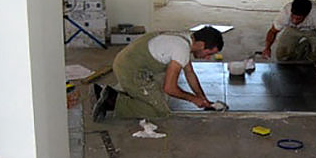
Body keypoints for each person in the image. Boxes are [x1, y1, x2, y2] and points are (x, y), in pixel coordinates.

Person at [92, 26, 224, 121]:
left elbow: (190, 73)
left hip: (129, 62)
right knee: (159, 112)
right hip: (130, 70)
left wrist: (203, 98)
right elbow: (170, 88)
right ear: (201, 45)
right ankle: (112, 100)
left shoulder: (186, 39)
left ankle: (120, 92)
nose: (208, 58)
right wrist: (193, 99)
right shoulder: (181, 49)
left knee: (159, 95)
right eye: (209, 53)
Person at [261, 0, 316, 66]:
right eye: (292, 17)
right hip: (293, 28)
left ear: (306, 15)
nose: (294, 21)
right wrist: (267, 48)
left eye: (298, 19)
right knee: (282, 56)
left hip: (312, 31)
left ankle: (309, 47)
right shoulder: (285, 12)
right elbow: (272, 31)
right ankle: (304, 46)